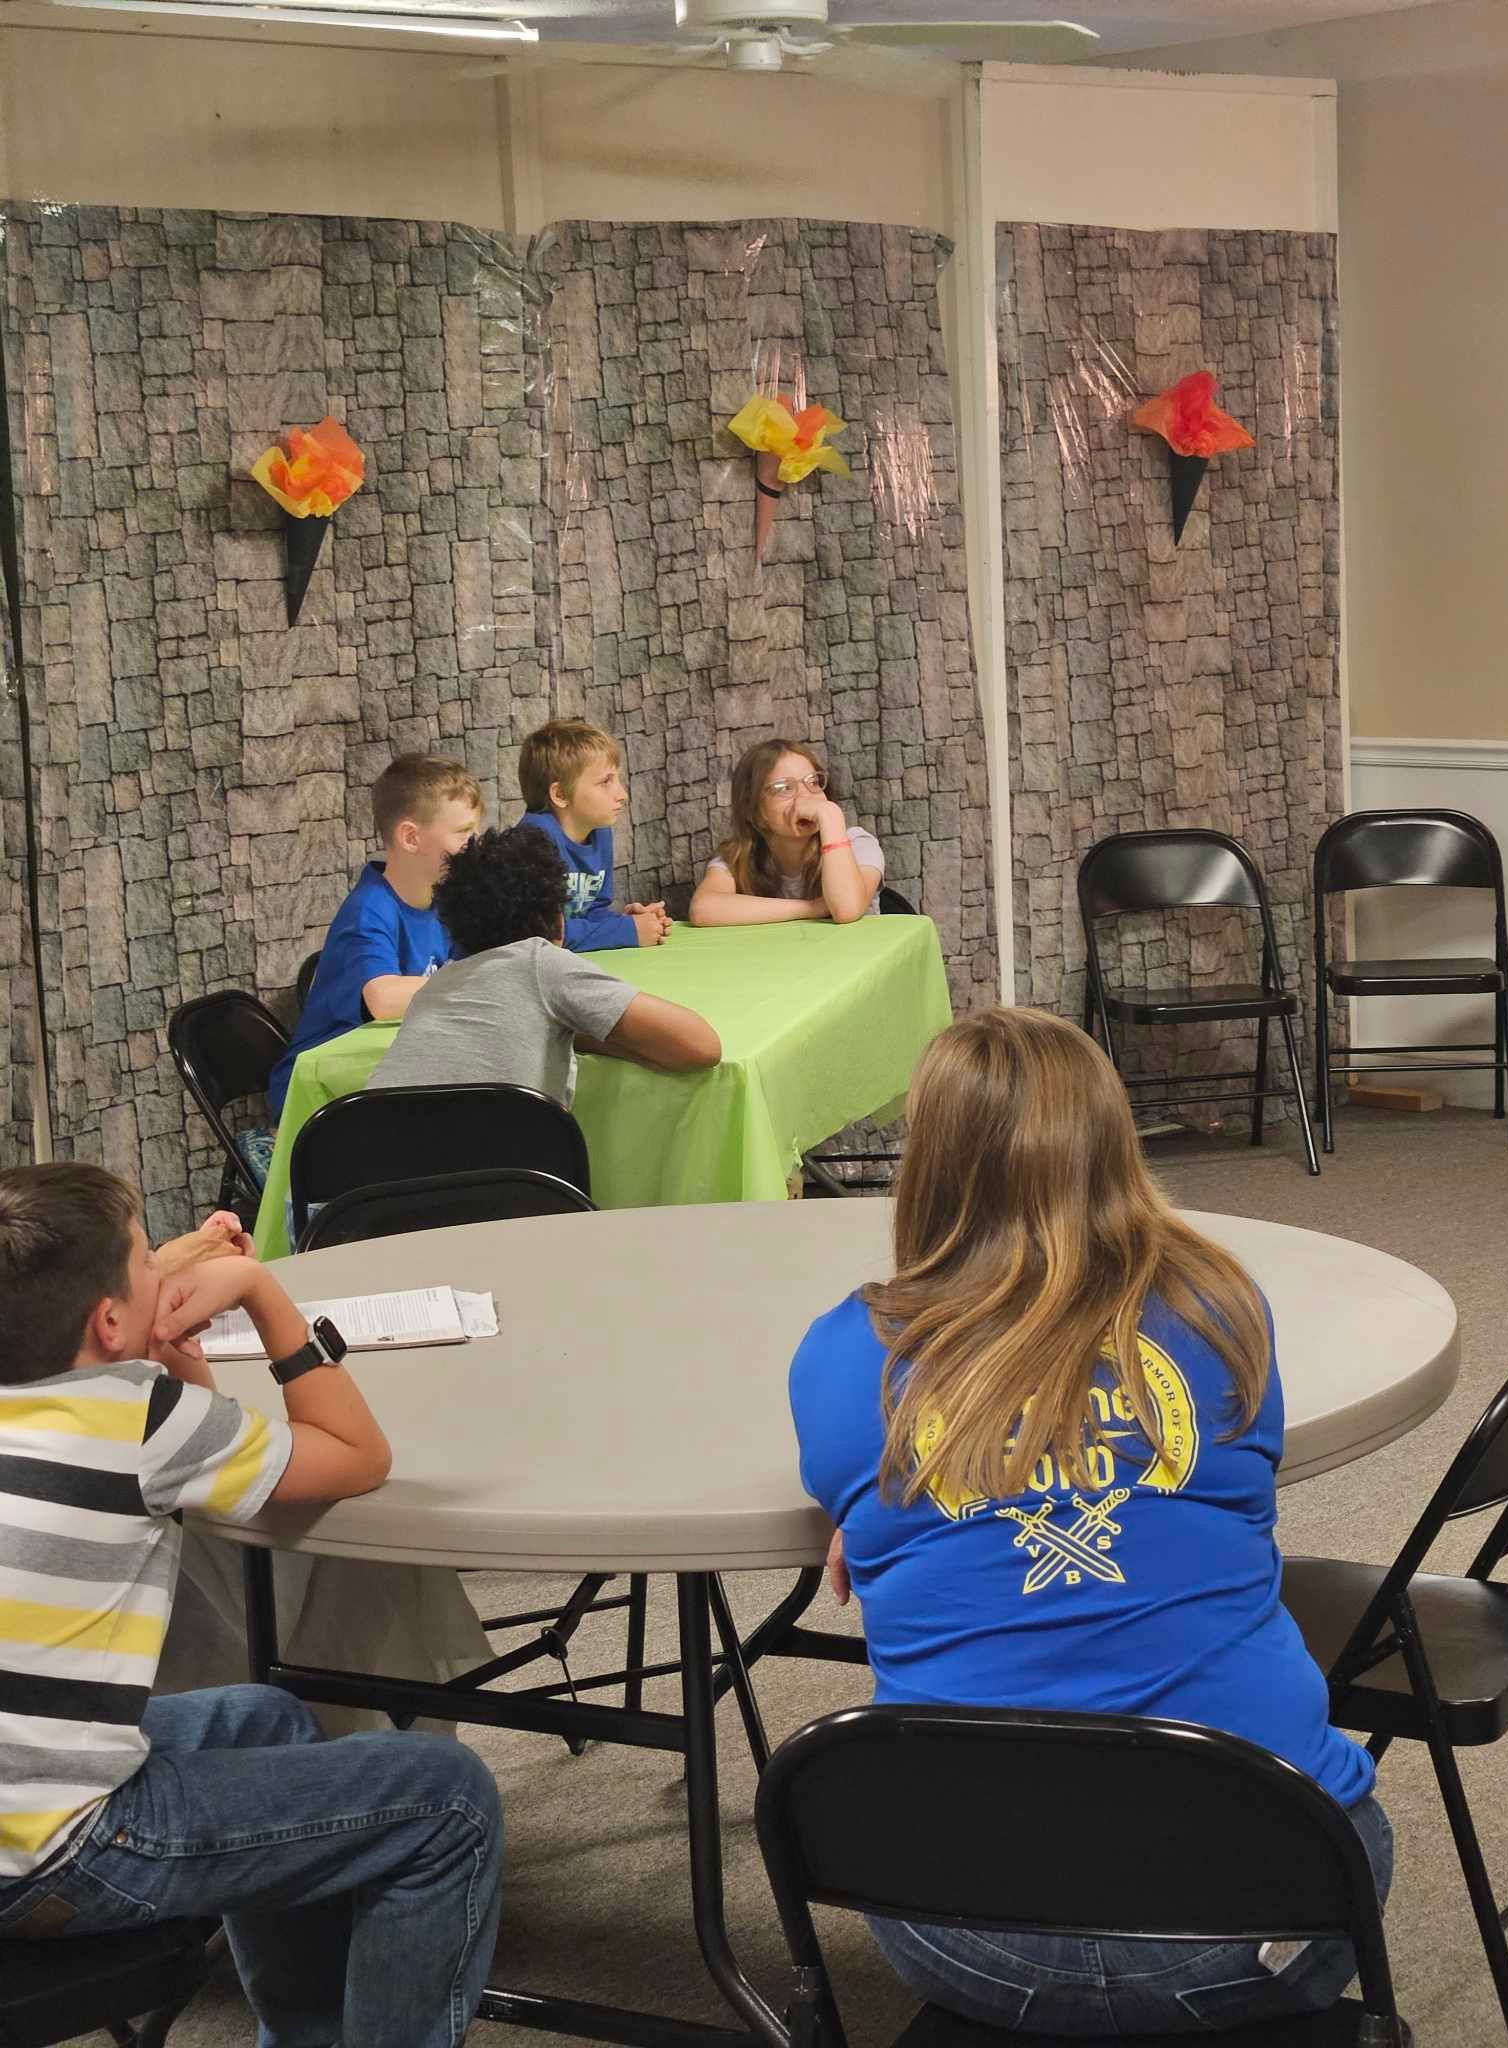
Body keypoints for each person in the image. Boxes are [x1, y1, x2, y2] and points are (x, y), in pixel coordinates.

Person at [789, 1008, 1389, 2038]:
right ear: (1112, 1142)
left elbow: (877, 1483)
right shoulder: (1220, 1307)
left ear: (926, 1166)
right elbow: (1225, 1498)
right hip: (1271, 1910)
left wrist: (893, 1510)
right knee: (1345, 1815)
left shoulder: (846, 1355)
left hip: (967, 1933)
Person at [0, 1163, 503, 2048]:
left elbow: (210, 1469)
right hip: (48, 1856)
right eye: (144, 1262)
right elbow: (355, 1456)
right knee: (447, 1798)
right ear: (109, 1320)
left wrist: (173, 1344)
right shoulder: (131, 1418)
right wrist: (265, 1296)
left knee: (264, 1716)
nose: (163, 1270)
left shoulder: (87, 1404)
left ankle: (305, 2035)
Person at [367, 823, 720, 1104]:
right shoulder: (541, 963)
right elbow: (701, 1046)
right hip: (502, 1185)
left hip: (366, 1181)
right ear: (558, 918)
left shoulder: (434, 987)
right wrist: (585, 1028)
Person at [267, 754, 483, 1117]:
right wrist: (476, 981)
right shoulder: (370, 908)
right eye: (464, 833)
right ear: (411, 837)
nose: (476, 844)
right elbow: (382, 999)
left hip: (383, 1077)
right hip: (317, 1098)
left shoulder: (445, 900)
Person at [689, 738, 883, 927]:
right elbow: (703, 909)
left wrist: (830, 816)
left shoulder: (859, 844)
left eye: (813, 782)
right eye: (785, 788)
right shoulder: (737, 856)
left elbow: (846, 909)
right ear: (752, 810)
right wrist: (813, 908)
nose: (806, 796)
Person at [518, 718, 670, 951]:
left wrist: (629, 922)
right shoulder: (532, 839)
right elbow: (543, 935)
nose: (622, 794)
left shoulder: (600, 832)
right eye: (605, 781)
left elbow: (593, 912)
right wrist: (627, 932)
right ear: (560, 794)